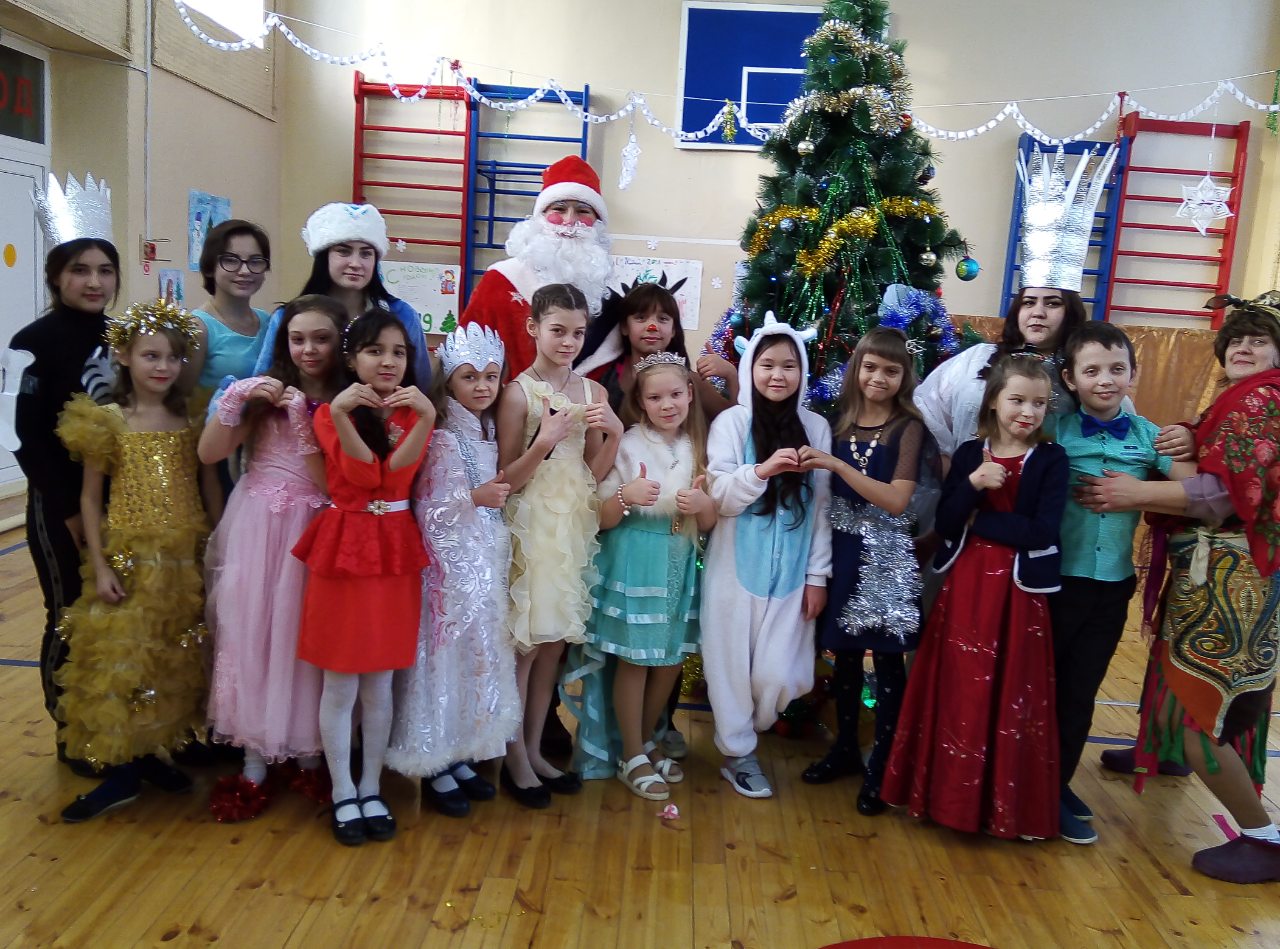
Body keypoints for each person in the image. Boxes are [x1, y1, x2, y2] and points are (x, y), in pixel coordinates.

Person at [1077, 293, 1280, 883]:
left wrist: (1135, 494)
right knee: (1177, 673)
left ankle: (1264, 837)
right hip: (1214, 571)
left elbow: (1225, 495)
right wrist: (1190, 437)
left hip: (1230, 574)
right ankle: (1165, 752)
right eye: (1235, 340)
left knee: (1204, 703)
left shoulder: (1262, 400)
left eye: (1258, 340)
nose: (1243, 347)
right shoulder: (1238, 400)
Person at [882, 355, 1068, 840]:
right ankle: (948, 801)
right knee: (961, 688)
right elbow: (946, 523)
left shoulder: (1051, 459)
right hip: (966, 587)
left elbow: (1041, 531)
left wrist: (978, 519)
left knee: (1011, 691)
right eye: (1017, 400)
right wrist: (971, 486)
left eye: (1039, 403)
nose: (1028, 412)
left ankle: (999, 808)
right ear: (993, 402)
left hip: (1018, 596)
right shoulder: (970, 455)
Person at [54, 300, 220, 822]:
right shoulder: (107, 420)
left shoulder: (192, 415)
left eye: (172, 357)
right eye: (151, 355)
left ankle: (151, 754)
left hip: (184, 557)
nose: (162, 367)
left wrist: (220, 541)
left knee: (172, 656)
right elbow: (89, 498)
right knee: (124, 660)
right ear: (123, 356)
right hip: (128, 558)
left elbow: (208, 484)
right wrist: (101, 565)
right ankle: (122, 768)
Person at [200, 295, 348, 819]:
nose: (309, 349)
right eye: (297, 339)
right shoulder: (264, 395)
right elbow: (210, 453)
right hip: (258, 524)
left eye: (321, 338)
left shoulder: (344, 401)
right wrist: (235, 398)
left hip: (315, 526)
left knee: (304, 635)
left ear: (341, 342)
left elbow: (334, 482)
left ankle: (308, 749)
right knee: (254, 631)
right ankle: (254, 754)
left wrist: (306, 422)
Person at [1049, 322, 1197, 846]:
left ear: (1133, 375)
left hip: (1112, 588)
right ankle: (1032, 786)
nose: (1105, 380)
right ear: (1070, 379)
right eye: (1091, 371)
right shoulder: (1054, 431)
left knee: (1081, 691)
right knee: (1043, 687)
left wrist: (1156, 477)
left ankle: (1058, 786)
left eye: (1117, 369)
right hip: (1054, 584)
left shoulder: (1149, 435)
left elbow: (1196, 486)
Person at [291, 309, 434, 845]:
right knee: (340, 681)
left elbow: (397, 477)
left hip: (394, 549)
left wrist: (425, 418)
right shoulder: (330, 413)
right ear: (352, 360)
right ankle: (342, 790)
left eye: (398, 352)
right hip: (346, 548)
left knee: (380, 682)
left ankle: (371, 786)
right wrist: (341, 414)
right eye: (375, 351)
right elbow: (362, 475)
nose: (388, 362)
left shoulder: (415, 412)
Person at [563, 352, 716, 798]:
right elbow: (599, 516)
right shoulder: (629, 445)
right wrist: (625, 496)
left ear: (689, 394)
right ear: (641, 402)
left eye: (675, 394)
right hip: (636, 558)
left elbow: (709, 522)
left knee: (670, 660)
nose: (667, 405)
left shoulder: (698, 445)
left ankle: (645, 741)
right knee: (635, 659)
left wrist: (704, 507)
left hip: (679, 561)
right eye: (655, 397)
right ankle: (630, 752)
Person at [495, 283, 623, 807]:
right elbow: (505, 478)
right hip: (529, 523)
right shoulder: (517, 394)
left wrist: (614, 434)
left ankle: (533, 747)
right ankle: (512, 757)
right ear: (533, 328)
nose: (569, 342)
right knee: (525, 645)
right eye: (557, 330)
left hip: (572, 526)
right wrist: (544, 441)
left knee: (552, 646)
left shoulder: (593, 392)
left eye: (578, 332)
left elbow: (593, 472)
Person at [386, 324, 521, 818]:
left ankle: (460, 748)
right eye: (469, 377)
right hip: (448, 567)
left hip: (484, 559)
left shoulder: (487, 430)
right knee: (442, 659)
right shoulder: (442, 436)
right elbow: (427, 508)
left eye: (490, 376)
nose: (482, 386)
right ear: (449, 381)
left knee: (475, 656)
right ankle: (432, 756)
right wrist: (474, 498)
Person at [10, 172, 120, 775]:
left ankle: (120, 729)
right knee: (70, 612)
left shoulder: (123, 338)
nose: (94, 281)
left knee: (118, 616)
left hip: (120, 500)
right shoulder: (33, 342)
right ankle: (71, 730)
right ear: (56, 276)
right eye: (80, 270)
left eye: (105, 270)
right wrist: (73, 512)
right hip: (60, 504)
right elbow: (29, 441)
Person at [798, 328, 933, 817]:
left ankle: (885, 765)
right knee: (847, 659)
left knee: (889, 663)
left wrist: (837, 466)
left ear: (904, 377)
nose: (879, 378)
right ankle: (845, 749)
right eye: (871, 367)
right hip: (841, 550)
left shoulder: (907, 427)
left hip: (885, 556)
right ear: (856, 368)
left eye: (891, 371)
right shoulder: (838, 422)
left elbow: (896, 500)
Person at [915, 145, 1120, 462]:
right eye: (1029, 302)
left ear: (1070, 311)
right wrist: (947, 468)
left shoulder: (1082, 372)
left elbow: (1121, 421)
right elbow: (926, 409)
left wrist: (1182, 437)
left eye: (1052, 303)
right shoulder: (976, 360)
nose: (1038, 312)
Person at [701, 315, 832, 799]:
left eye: (789, 366)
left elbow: (822, 507)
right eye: (768, 364)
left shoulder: (816, 427)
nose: (778, 375)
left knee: (780, 674)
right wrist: (761, 471)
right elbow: (720, 496)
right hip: (733, 571)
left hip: (793, 574)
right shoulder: (732, 423)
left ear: (802, 372)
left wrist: (818, 575)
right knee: (729, 666)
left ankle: (749, 729)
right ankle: (738, 752)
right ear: (750, 368)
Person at [462, 156, 612, 377]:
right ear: (540, 217)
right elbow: (465, 357)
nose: (569, 221)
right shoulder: (501, 280)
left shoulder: (607, 297)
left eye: (583, 211)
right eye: (559, 209)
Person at [253, 202, 430, 385]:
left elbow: (422, 386)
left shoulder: (402, 315)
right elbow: (260, 385)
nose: (356, 263)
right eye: (343, 252)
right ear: (324, 257)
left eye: (366, 254)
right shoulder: (287, 317)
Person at [576, 281, 737, 418]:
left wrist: (731, 375)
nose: (652, 327)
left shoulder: (690, 380)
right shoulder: (600, 377)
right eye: (641, 318)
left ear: (673, 330)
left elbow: (736, 425)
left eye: (663, 319)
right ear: (625, 327)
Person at [184, 219, 273, 394]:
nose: (245, 271)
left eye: (255, 261)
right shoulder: (197, 327)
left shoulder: (268, 321)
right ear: (210, 268)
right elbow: (182, 398)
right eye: (231, 260)